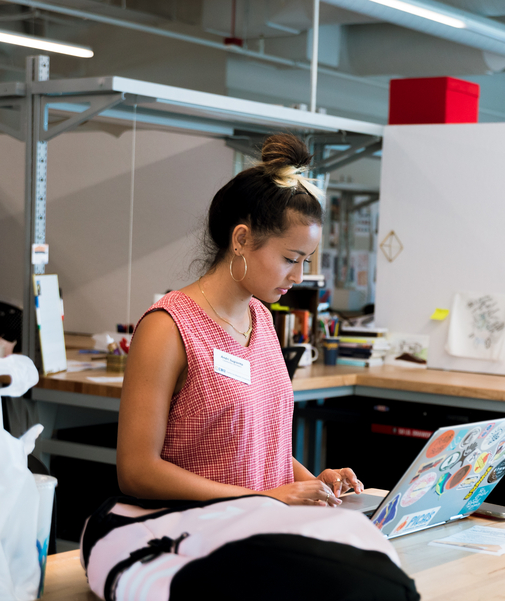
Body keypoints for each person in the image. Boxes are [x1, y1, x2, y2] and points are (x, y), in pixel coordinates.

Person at [116, 133, 363, 507]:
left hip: (261, 528)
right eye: (290, 259)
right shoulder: (167, 327)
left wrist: (314, 484)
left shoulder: (260, 318)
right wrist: (263, 498)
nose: (298, 277)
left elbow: (256, 449)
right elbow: (137, 471)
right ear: (242, 239)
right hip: (197, 536)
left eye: (305, 262)